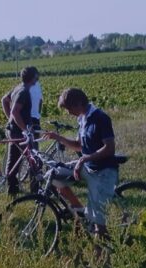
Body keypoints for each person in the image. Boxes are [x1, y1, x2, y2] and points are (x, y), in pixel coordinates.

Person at [43, 88, 119, 244]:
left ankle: (102, 247)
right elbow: (79, 145)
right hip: (88, 166)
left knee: (99, 223)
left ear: (79, 103)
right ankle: (79, 210)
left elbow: (110, 148)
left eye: (69, 109)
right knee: (54, 174)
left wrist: (84, 159)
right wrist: (57, 137)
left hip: (103, 170)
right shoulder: (83, 119)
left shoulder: (100, 118)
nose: (69, 113)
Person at [1, 66, 39, 195]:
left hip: (13, 129)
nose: (37, 79)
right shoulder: (23, 92)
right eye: (36, 76)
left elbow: (4, 100)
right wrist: (25, 129)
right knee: (34, 158)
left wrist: (10, 119)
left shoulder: (18, 87)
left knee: (13, 160)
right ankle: (36, 191)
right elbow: (15, 111)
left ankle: (12, 190)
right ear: (33, 77)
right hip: (20, 131)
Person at [29, 76, 43, 149]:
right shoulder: (36, 85)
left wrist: (38, 114)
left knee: (34, 140)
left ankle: (35, 159)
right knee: (33, 140)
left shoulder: (37, 85)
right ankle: (34, 158)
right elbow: (41, 100)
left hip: (33, 117)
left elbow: (40, 100)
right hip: (31, 117)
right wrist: (38, 114)